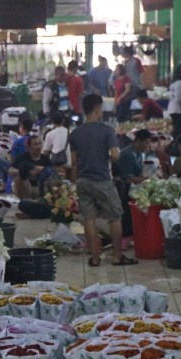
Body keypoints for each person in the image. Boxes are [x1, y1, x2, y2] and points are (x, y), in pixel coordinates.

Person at [70, 93, 138, 267]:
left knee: (89, 219)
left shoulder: (76, 133)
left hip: (83, 181)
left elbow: (74, 162)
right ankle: (117, 256)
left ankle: (94, 257)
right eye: (101, 109)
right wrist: (106, 158)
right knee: (115, 217)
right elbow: (115, 155)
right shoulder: (107, 130)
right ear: (97, 109)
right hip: (102, 180)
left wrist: (75, 181)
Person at [116, 129, 152, 246]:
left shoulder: (138, 153)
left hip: (133, 187)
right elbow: (129, 178)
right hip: (124, 188)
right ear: (138, 141)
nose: (148, 146)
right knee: (126, 214)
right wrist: (147, 179)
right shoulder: (128, 154)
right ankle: (125, 238)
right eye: (146, 143)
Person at [0, 118, 34, 192]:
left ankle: (5, 184)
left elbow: (13, 159)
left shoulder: (18, 142)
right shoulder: (35, 140)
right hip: (33, 167)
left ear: (21, 127)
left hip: (20, 169)